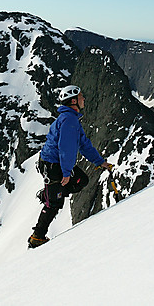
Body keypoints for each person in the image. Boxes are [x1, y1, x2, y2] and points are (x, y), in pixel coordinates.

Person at [28, 85, 112, 248]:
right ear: (73, 100)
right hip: (52, 164)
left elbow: (83, 144)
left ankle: (51, 193)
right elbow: (66, 148)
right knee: (54, 204)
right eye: (81, 97)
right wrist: (66, 173)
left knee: (81, 180)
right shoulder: (69, 120)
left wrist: (99, 161)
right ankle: (37, 237)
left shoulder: (71, 119)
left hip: (54, 162)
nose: (83, 99)